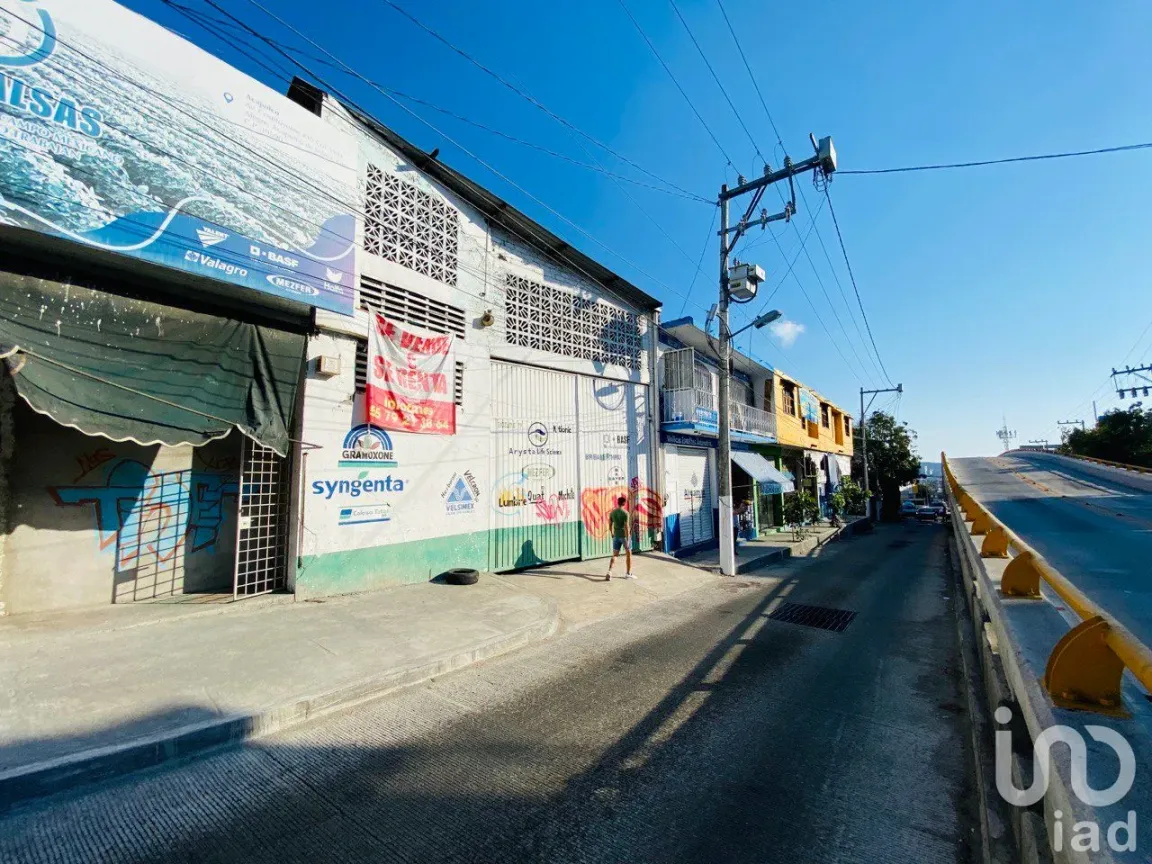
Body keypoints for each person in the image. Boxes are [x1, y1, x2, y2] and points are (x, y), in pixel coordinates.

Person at [605, 495, 634, 580]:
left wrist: (612, 533)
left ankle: (609, 571)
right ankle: (628, 573)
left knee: (615, 555)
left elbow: (610, 525)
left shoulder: (612, 513)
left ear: (618, 503)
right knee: (628, 554)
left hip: (616, 536)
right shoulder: (625, 513)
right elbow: (626, 527)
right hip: (624, 536)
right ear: (624, 503)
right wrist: (628, 538)